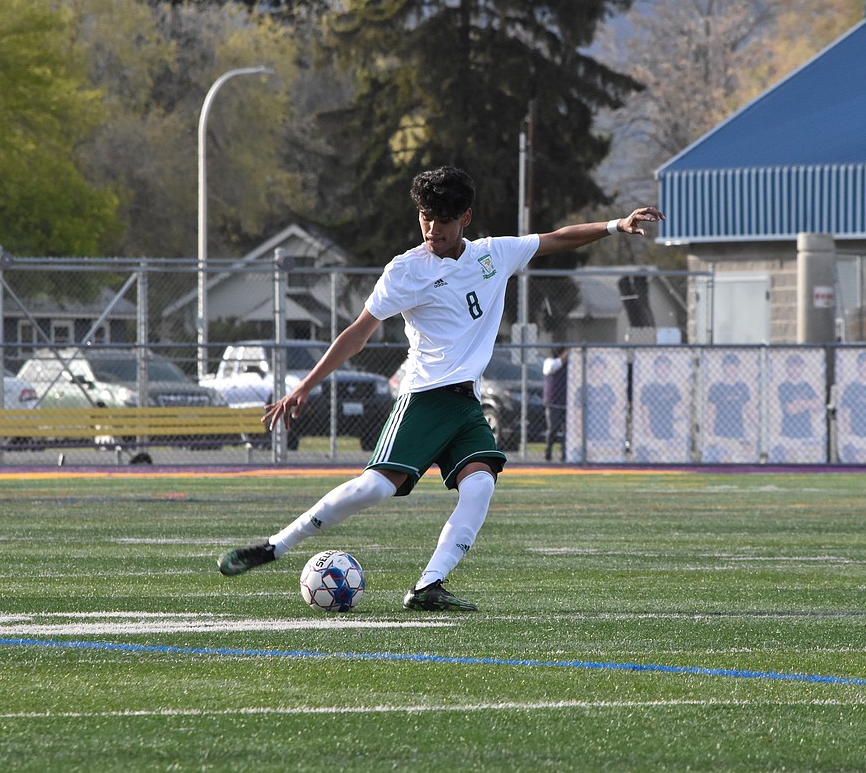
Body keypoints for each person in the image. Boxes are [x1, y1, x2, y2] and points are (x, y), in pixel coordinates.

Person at [216, 166, 663, 610]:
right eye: (425, 217)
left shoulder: (492, 255)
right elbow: (358, 332)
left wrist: (614, 226)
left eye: (442, 220)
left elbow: (557, 238)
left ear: (465, 218)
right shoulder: (406, 270)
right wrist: (305, 386)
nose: (432, 228)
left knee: (480, 486)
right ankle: (276, 546)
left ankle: (429, 586)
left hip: (467, 403)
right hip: (425, 397)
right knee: (376, 488)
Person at [542, 346, 568, 461]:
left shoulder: (569, 366)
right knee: (553, 428)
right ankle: (548, 452)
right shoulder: (549, 362)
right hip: (553, 402)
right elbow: (551, 368)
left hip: (566, 402)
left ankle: (564, 454)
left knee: (567, 430)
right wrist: (563, 358)